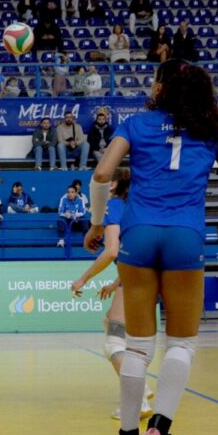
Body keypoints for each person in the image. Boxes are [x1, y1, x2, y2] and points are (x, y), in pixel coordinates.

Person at [82, 59, 218, 435]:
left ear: (160, 88)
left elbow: (103, 173)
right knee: (181, 344)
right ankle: (157, 434)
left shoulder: (136, 123)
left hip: (139, 235)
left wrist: (95, 221)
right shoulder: (213, 131)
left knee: (138, 348)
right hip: (185, 237)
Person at [70, 169, 153, 419]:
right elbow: (135, 248)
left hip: (137, 277)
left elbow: (111, 251)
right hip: (149, 273)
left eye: (106, 183)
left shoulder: (114, 205)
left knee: (114, 343)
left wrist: (83, 278)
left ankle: (138, 401)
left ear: (114, 184)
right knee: (112, 323)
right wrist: (116, 283)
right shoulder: (137, 204)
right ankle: (143, 388)